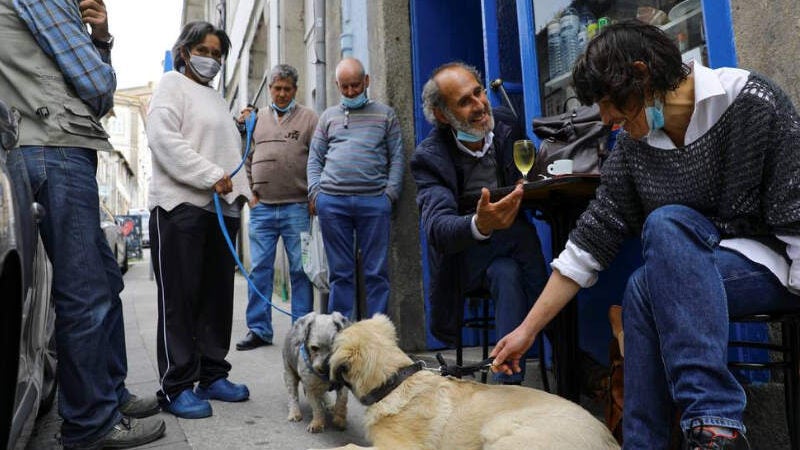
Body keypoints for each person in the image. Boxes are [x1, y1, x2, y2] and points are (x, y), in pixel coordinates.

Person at [491, 20, 800, 449]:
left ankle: (713, 421)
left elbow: (795, 206)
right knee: (642, 284)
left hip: (776, 266)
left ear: (640, 74)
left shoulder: (750, 102)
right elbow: (587, 245)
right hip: (693, 270)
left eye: (607, 102)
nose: (604, 118)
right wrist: (526, 331)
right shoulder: (636, 146)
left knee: (664, 224)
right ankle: (657, 441)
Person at [0, 1, 166, 448]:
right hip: (53, 148)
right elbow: (97, 87)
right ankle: (91, 423)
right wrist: (100, 47)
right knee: (84, 292)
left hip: (52, 145)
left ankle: (110, 396)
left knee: (103, 281)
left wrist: (102, 38)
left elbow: (97, 95)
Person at [410, 62, 548, 384]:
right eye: (464, 101)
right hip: (463, 261)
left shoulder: (506, 127)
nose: (479, 105)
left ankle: (507, 390)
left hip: (503, 258)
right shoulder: (429, 157)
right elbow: (438, 229)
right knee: (518, 234)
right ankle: (560, 336)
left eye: (479, 92)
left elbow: (525, 181)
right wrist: (479, 224)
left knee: (508, 272)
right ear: (443, 115)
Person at [146, 21, 251, 419]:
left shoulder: (215, 97)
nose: (210, 59)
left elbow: (228, 150)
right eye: (203, 51)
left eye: (217, 54)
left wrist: (241, 191)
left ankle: (212, 374)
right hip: (181, 207)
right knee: (181, 299)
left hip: (220, 212)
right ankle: (175, 386)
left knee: (216, 298)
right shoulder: (171, 85)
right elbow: (164, 139)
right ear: (185, 51)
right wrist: (211, 176)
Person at [307, 57, 404, 319]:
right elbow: (315, 158)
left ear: (367, 81)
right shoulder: (328, 117)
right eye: (345, 87)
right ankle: (339, 336)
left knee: (376, 273)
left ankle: (376, 336)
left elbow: (397, 157)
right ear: (337, 84)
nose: (350, 92)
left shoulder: (385, 115)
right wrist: (316, 192)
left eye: (356, 86)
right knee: (340, 272)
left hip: (374, 202)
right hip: (332, 203)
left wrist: (389, 195)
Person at [235, 64, 318, 351]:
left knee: (300, 270)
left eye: (287, 89)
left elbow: (319, 158)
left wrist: (313, 196)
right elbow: (245, 156)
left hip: (298, 207)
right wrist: (250, 195)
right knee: (260, 269)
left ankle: (302, 331)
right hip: (263, 209)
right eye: (276, 88)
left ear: (295, 89)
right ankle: (259, 329)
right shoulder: (255, 120)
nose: (281, 93)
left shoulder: (309, 119)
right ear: (270, 89)